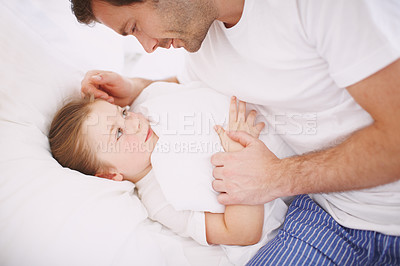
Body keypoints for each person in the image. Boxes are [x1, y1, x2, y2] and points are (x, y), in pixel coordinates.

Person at [69, 0, 400, 264]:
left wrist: (275, 177)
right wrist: (134, 87)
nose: (148, 47)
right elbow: (186, 90)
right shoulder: (205, 43)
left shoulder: (317, 8)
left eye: (135, 27)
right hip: (323, 214)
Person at [49, 93, 276, 250]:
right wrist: (240, 155)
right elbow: (241, 233)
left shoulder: (153, 110)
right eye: (118, 133)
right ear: (109, 175)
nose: (135, 123)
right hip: (283, 217)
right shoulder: (160, 200)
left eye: (124, 113)